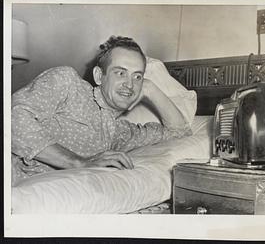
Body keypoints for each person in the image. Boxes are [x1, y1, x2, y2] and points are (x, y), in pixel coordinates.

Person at [11, 36, 191, 185]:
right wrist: (77, 162)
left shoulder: (118, 133)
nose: (130, 85)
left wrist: (150, 88)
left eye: (137, 76)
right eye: (120, 73)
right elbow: (11, 118)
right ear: (99, 76)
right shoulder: (67, 82)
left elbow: (180, 130)